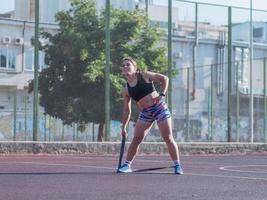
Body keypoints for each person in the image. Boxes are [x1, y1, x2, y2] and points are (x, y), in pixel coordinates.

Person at [117, 57, 183, 175]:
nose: (125, 66)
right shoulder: (126, 90)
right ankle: (127, 165)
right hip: (146, 113)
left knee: (168, 138)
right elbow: (127, 111)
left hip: (159, 108)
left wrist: (162, 94)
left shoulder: (144, 75)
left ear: (134, 67)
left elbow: (164, 78)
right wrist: (123, 127)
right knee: (136, 139)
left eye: (128, 64)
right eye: (123, 65)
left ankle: (177, 165)